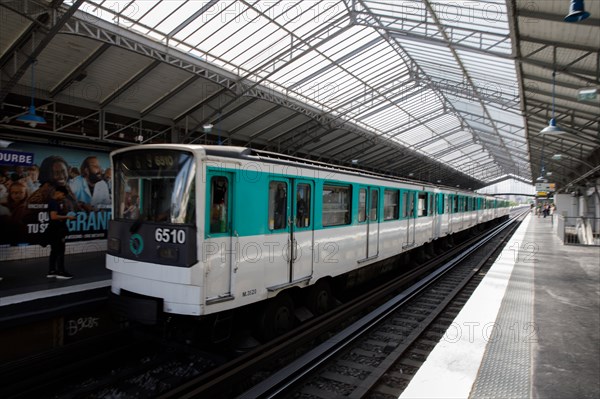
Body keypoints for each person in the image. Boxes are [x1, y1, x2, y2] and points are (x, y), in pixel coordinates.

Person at [46, 186, 77, 280]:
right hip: (57, 230)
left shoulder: (53, 202)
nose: (63, 197)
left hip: (54, 230)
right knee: (60, 251)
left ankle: (52, 271)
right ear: (58, 192)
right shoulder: (54, 203)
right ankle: (61, 271)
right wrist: (68, 217)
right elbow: (54, 217)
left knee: (54, 251)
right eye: (63, 195)